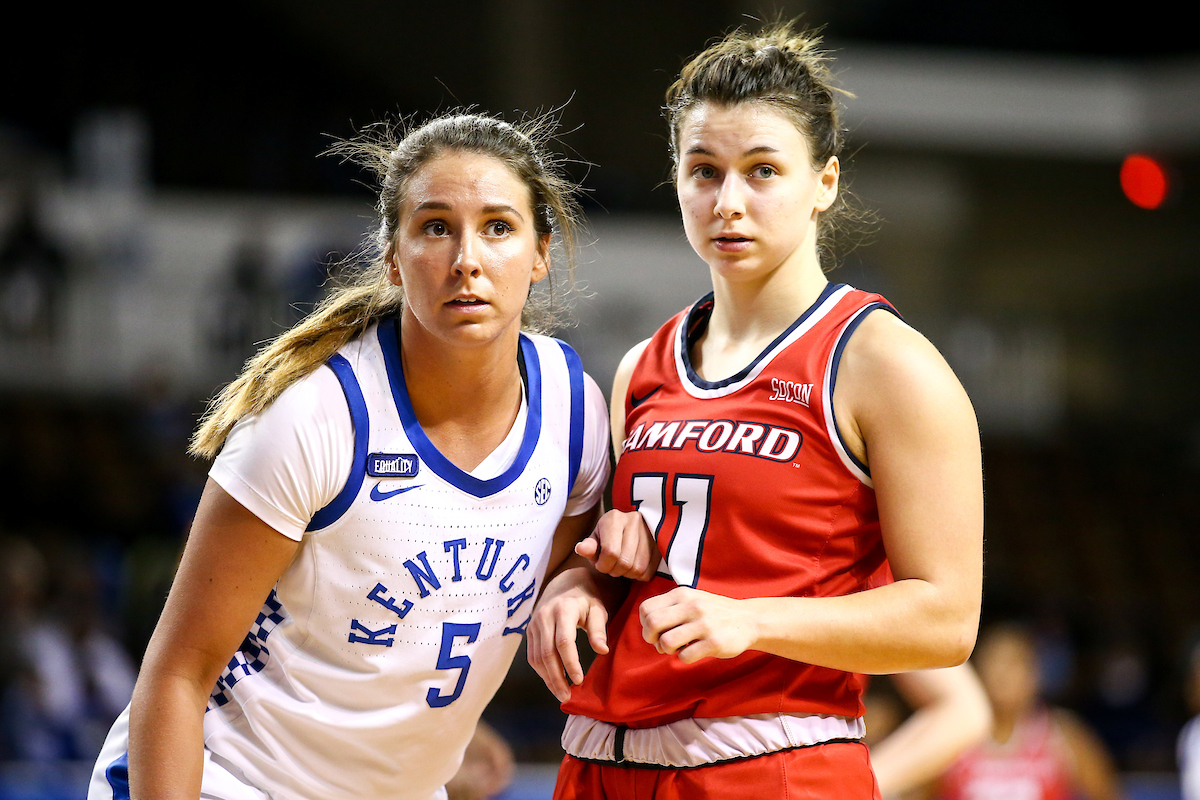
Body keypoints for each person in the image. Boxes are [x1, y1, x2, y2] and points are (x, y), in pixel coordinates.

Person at [86, 111, 613, 800]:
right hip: (227, 779)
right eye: (434, 227)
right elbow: (178, 674)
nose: (466, 260)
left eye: (497, 227)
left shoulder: (574, 410)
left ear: (540, 252)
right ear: (394, 257)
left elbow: (547, 589)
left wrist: (596, 564)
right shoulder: (313, 416)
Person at [526, 20, 985, 800]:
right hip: (597, 763)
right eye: (704, 171)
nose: (728, 202)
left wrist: (756, 620)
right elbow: (636, 562)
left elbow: (945, 621)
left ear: (825, 183)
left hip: (769, 765)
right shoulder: (643, 364)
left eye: (762, 170)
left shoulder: (885, 364)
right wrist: (580, 581)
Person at [937, 622, 1123, 800]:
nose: (1002, 674)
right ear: (977, 671)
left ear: (1035, 673)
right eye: (993, 662)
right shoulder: (951, 738)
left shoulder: (1064, 736)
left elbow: (1109, 795)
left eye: (1013, 663)